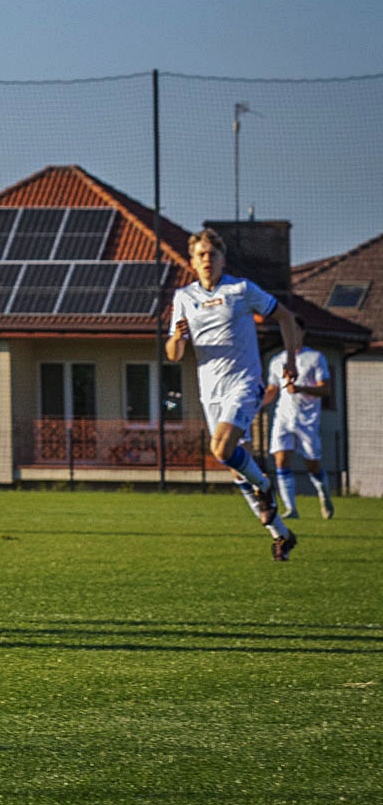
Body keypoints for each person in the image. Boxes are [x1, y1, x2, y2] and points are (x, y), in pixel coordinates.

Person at [166, 227, 304, 560]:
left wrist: (290, 360)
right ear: (192, 262)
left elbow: (286, 317)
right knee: (233, 464)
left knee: (221, 449)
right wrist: (178, 338)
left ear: (222, 259)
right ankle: (281, 535)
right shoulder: (184, 297)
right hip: (210, 392)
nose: (207, 260)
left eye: (212, 254)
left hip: (244, 384)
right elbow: (174, 354)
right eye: (201, 255)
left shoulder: (241, 289)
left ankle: (266, 487)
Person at [260, 342, 335, 521]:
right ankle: (290, 508)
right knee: (281, 459)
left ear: (301, 333)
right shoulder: (277, 360)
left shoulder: (315, 357)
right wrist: (255, 405)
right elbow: (272, 390)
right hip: (283, 416)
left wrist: (301, 388)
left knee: (312, 464)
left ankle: (323, 492)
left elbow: (325, 389)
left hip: (307, 419)